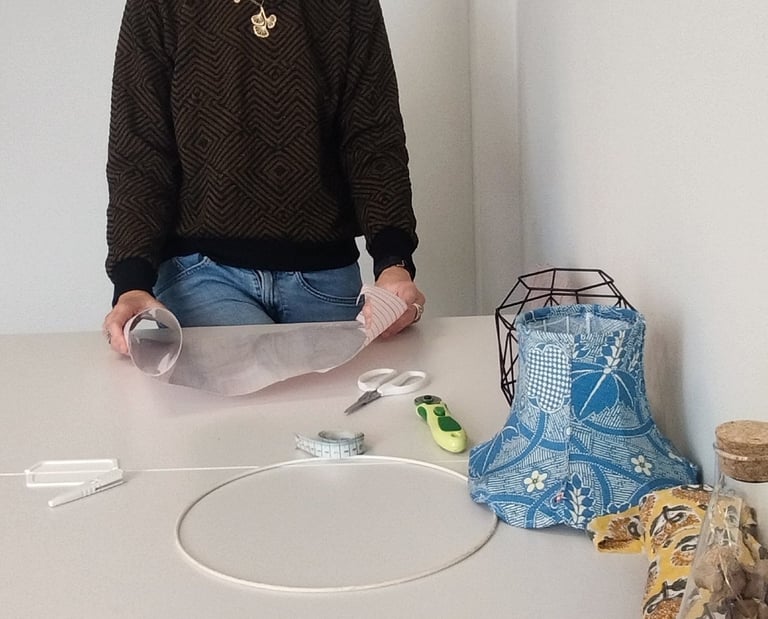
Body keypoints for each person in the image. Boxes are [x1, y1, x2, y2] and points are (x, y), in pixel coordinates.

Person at [103, 0, 426, 355]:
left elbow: (373, 136)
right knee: (250, 386)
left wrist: (394, 263)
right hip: (201, 271)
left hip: (326, 271)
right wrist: (132, 281)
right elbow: (140, 148)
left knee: (344, 390)